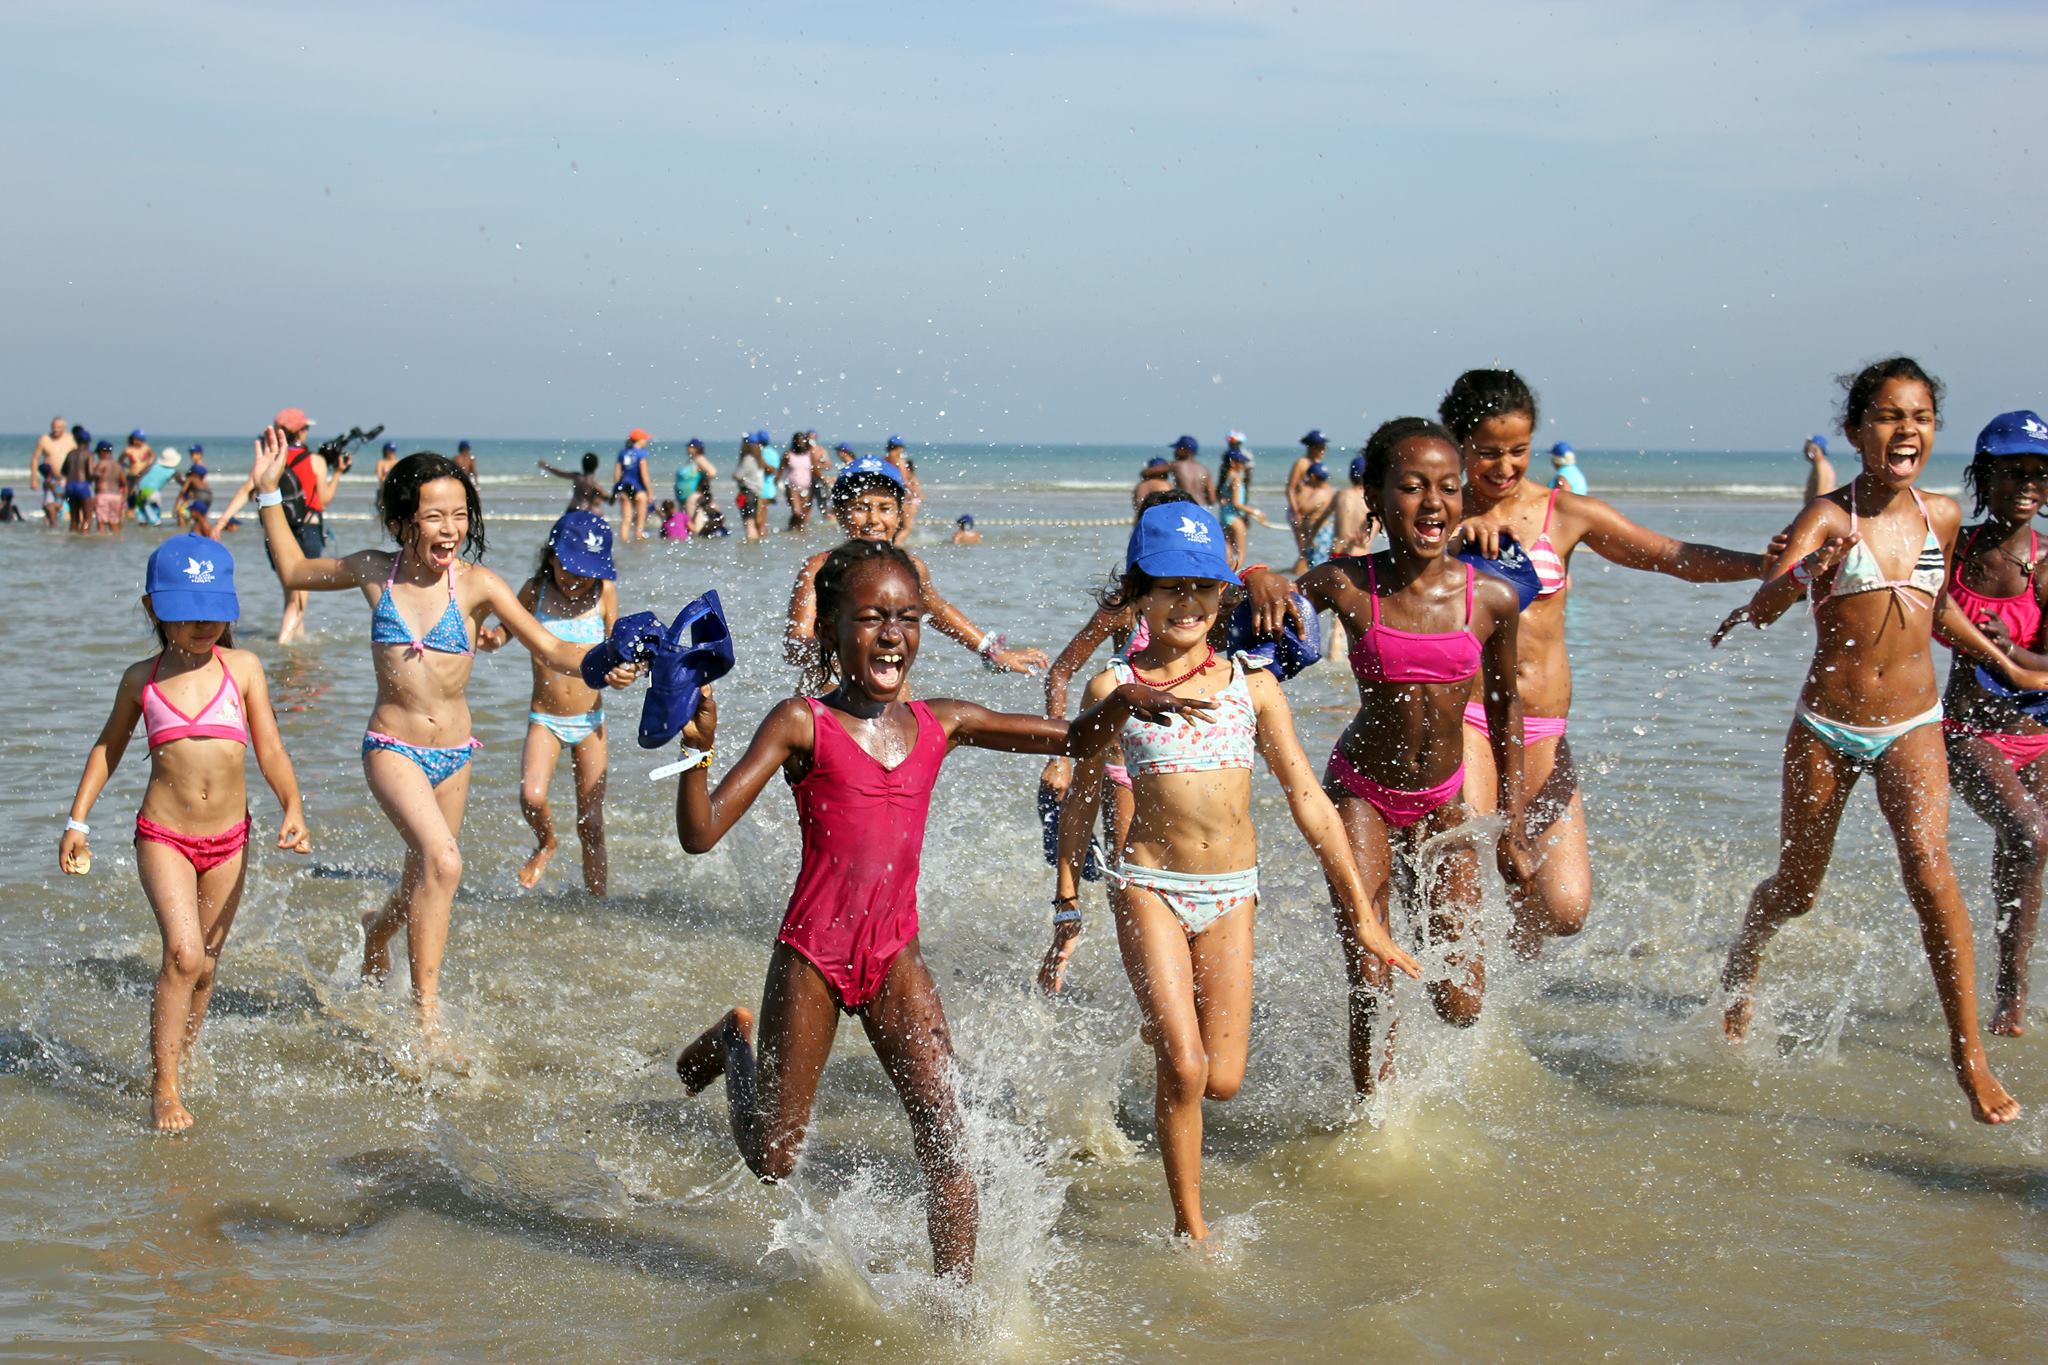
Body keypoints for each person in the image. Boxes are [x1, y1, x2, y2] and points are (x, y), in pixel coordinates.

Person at [671, 538, 1191, 1279]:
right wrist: (697, 752)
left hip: (894, 957)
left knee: (949, 1141)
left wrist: (1123, 701)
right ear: (831, 629)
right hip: (813, 956)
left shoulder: (941, 721)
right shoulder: (800, 722)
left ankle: (958, 1315)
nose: (892, 633)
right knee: (774, 1158)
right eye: (872, 616)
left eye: (908, 617)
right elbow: (700, 833)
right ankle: (732, 1042)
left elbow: (1077, 738)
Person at [1040, 502, 1422, 1241]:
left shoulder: (1254, 685)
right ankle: (1193, 1229)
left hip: (1230, 895)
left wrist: (1365, 915)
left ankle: (1167, 1032)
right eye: (1170, 586)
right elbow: (1084, 802)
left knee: (1221, 1078)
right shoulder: (1113, 688)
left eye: (1203, 587)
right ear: (1142, 594)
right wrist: (1065, 906)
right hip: (1147, 883)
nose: (1187, 603)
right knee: (1184, 1067)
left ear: (1225, 596)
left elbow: (1310, 800)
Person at [1710, 357, 2028, 1126]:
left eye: (1919, 415)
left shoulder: (1941, 515)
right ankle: (1741, 967)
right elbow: (1769, 602)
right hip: (1826, 727)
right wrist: (1795, 579)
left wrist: (2003, 659)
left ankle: (1970, 1057)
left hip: (1913, 723)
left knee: (1931, 870)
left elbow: (1937, 609)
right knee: (1798, 888)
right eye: (1888, 415)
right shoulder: (1829, 517)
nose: (1906, 428)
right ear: (1856, 432)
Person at [244, 434, 639, 1030]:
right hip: (392, 748)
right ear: (403, 521)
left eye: (460, 515)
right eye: (434, 516)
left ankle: (376, 933)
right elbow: (296, 569)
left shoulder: (478, 585)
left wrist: (601, 662)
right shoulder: (374, 573)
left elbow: (552, 645)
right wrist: (270, 491)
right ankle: (425, 1015)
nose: (450, 528)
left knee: (422, 879)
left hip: (454, 756)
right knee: (444, 862)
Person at [1446, 368, 1767, 958]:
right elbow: (1373, 570)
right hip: (1466, 716)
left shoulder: (1564, 515)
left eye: (1518, 451)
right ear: (1460, 445)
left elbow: (1671, 556)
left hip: (1542, 727)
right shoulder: (1439, 513)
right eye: (1487, 452)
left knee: (1564, 910)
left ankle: (1505, 975)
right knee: (1463, 878)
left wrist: (1763, 566)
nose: (1504, 466)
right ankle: (1455, 989)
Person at [1296, 419, 1532, 1088]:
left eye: (1448, 487)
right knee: (1371, 978)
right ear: (1373, 495)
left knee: (1460, 1001)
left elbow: (1509, 705)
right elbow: (1243, 633)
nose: (1432, 502)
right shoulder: (1345, 584)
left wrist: (1511, 820)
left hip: (1442, 800)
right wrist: (1256, 578)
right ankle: (1372, 1125)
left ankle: (1419, 1078)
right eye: (1411, 486)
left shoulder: (1491, 596)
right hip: (1361, 792)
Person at [59, 536, 309, 1129]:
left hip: (231, 840)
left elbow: (269, 745)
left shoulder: (242, 669)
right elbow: (108, 748)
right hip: (164, 836)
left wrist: (292, 804)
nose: (203, 624)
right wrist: (77, 820)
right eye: (187, 612)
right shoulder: (141, 679)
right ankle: (164, 1088)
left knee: (208, 962)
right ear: (154, 609)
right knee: (183, 951)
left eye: (214, 610)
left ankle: (183, 1056)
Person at [1936, 410, 2048, 1037]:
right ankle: (2009, 991)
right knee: (2032, 837)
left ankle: (2008, 985)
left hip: (2041, 731)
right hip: (1967, 731)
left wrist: (2006, 649)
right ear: (1985, 476)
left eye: (2040, 473)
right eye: (2012, 472)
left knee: (2025, 846)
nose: (2028, 484)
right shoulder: (1959, 549)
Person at [784, 457, 1049, 681]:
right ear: (840, 513)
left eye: (885, 508)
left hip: (892, 701)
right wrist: (848, 646)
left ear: (900, 515)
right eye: (861, 508)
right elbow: (794, 645)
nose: (874, 519)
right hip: (830, 702)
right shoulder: (821, 567)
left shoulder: (909, 568)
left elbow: (938, 611)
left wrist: (992, 652)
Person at [505, 512, 624, 896]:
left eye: (585, 571)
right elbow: (500, 635)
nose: (575, 579)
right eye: (569, 569)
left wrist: (626, 671)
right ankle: (547, 843)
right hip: (546, 719)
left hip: (591, 722)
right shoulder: (534, 591)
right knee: (531, 797)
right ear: (551, 555)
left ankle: (598, 903)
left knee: (590, 822)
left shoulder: (603, 592)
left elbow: (618, 650)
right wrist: (477, 638)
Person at [216, 408, 340, 645]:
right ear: (300, 432)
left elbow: (246, 491)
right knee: (300, 597)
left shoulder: (270, 461)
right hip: (307, 531)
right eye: (306, 428)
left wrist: (221, 522)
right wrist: (338, 474)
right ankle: (284, 644)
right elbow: (323, 500)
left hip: (276, 533)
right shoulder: (315, 461)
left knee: (290, 592)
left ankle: (297, 643)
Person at [1287, 430, 1330, 572]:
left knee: (1309, 549)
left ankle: (1297, 573)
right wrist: (1295, 511)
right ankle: (1297, 576)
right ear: (1310, 447)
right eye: (1320, 447)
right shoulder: (1302, 463)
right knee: (1304, 551)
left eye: (1324, 447)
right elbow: (1290, 489)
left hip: (1310, 513)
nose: (1323, 450)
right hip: (1298, 512)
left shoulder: (1318, 463)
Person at [1217, 444, 1258, 570]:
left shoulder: (1225, 478)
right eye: (1241, 462)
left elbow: (1222, 498)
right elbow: (1237, 503)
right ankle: (1233, 581)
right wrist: (1255, 511)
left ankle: (1223, 577)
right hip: (1234, 518)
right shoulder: (1236, 478)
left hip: (1224, 516)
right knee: (1240, 555)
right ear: (1233, 462)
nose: (1244, 465)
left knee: (1227, 552)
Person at [611, 429, 654, 542]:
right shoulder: (641, 453)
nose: (646, 441)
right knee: (640, 521)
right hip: (639, 489)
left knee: (626, 520)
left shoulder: (622, 453)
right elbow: (644, 476)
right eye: (645, 439)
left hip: (624, 488)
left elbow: (617, 474)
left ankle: (624, 543)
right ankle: (638, 545)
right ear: (639, 440)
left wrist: (617, 490)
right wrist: (650, 493)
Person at [33, 416, 76, 526]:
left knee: (67, 509)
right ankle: (51, 531)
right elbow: (35, 459)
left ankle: (67, 536)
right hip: (50, 479)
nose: (55, 429)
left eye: (58, 427)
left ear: (64, 427)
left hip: (67, 479)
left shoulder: (71, 439)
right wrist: (33, 479)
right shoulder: (44, 439)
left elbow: (79, 456)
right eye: (53, 427)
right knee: (49, 507)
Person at [1332, 453, 1376, 557]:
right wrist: (1366, 536)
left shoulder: (1341, 495)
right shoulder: (1372, 499)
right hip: (1361, 555)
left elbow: (1321, 518)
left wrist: (1310, 538)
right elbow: (1374, 522)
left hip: (1338, 554)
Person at [1295, 460, 1337, 567]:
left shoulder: (1319, 493)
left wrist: (1302, 490)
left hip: (1319, 534)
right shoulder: (1330, 491)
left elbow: (1302, 509)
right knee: (1321, 565)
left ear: (1313, 477)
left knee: (1317, 566)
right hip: (1325, 532)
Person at [539, 452, 610, 514]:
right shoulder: (595, 486)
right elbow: (610, 501)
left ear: (583, 464)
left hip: (571, 510)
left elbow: (560, 473)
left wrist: (547, 466)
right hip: (585, 513)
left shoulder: (577, 477)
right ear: (596, 466)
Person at [672, 438, 716, 529]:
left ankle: (697, 542)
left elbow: (712, 472)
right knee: (686, 525)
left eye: (689, 447)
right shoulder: (691, 461)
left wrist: (702, 483)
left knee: (693, 525)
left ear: (696, 448)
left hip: (692, 497)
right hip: (684, 499)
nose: (687, 449)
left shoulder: (700, 459)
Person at [884, 435, 917, 545]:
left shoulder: (884, 460)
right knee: (906, 528)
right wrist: (913, 493)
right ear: (900, 447)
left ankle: (891, 547)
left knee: (895, 526)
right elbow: (905, 481)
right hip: (901, 496)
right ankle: (897, 549)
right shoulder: (900, 461)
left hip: (888, 495)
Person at [1166, 435, 1215, 506]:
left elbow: (1150, 471)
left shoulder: (1176, 465)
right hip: (1202, 508)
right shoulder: (1204, 469)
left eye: (1177, 449)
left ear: (1183, 450)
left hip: (1185, 506)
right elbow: (1212, 499)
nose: (1174, 452)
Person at [91, 440, 127, 535]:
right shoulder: (118, 466)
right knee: (114, 523)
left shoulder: (101, 463)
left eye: (98, 453)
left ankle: (102, 548)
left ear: (102, 452)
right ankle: (115, 545)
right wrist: (124, 498)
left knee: (101, 523)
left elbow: (94, 477)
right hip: (116, 497)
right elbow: (124, 483)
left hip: (103, 495)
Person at [61, 432, 94, 535]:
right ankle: (84, 536)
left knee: (74, 518)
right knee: (87, 517)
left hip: (70, 486)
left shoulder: (70, 453)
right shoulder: (88, 454)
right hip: (82, 485)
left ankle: (73, 537)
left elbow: (63, 471)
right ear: (88, 442)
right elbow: (90, 472)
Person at [783, 431, 815, 531]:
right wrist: (775, 483)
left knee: (803, 515)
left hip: (807, 487)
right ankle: (790, 528)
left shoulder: (809, 455)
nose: (800, 442)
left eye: (802, 440)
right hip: (792, 487)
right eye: (798, 440)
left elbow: (814, 470)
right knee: (797, 512)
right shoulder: (788, 455)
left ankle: (798, 532)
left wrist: (823, 479)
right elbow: (781, 470)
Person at [173, 452, 214, 530]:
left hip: (200, 494)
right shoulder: (202, 481)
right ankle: (204, 529)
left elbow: (183, 491)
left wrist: (176, 506)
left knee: (181, 512)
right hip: (209, 495)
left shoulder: (191, 478)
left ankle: (181, 529)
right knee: (201, 515)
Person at [1802, 433, 1837, 503]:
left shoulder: (1821, 465)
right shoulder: (1820, 465)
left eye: (1807, 447)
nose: (1804, 450)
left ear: (1815, 449)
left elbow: (1821, 494)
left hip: (1819, 509)